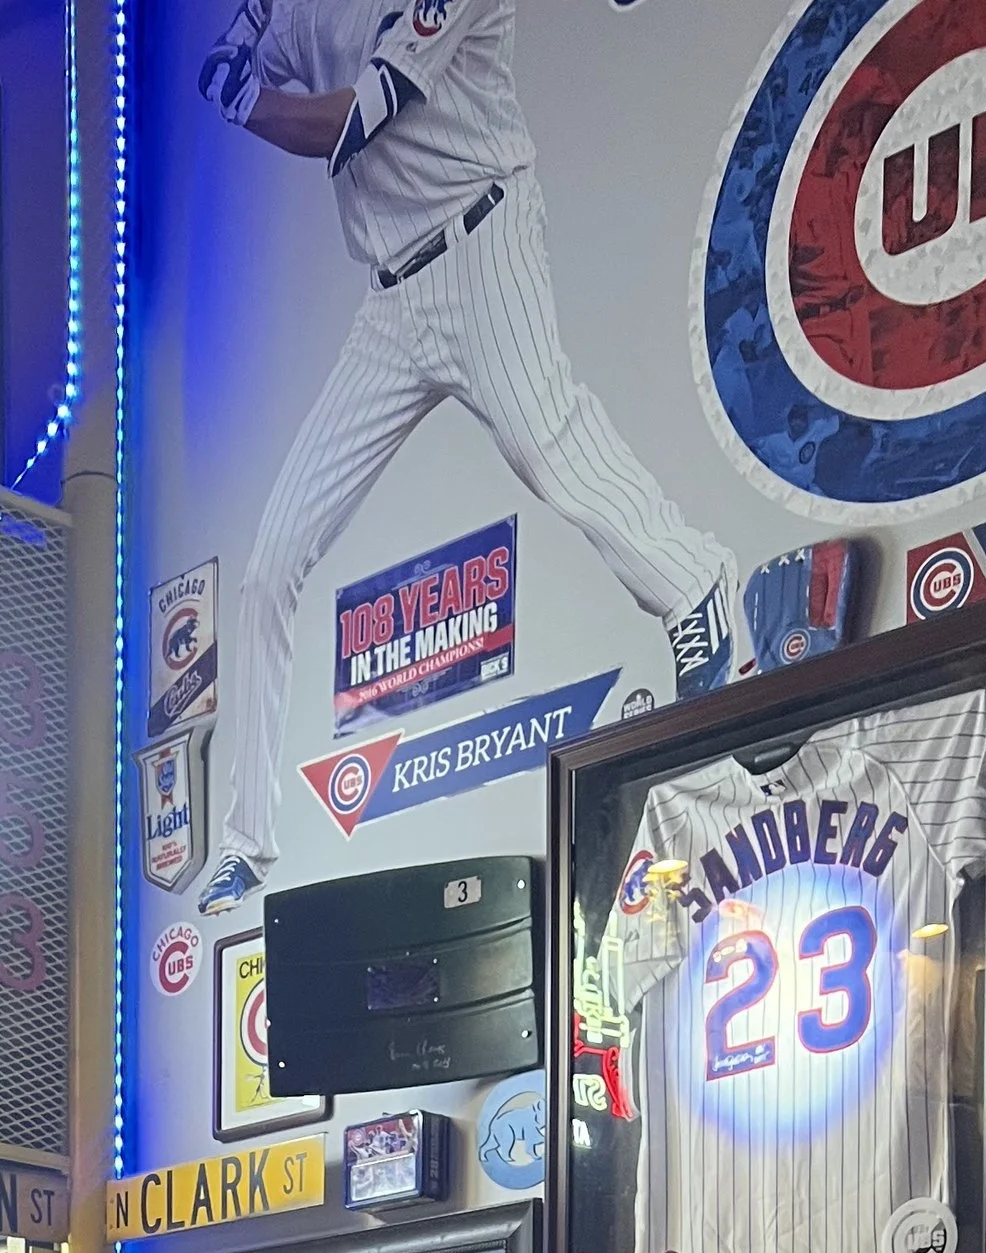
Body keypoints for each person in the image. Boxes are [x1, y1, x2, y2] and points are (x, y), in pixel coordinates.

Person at [188, 0, 740, 919]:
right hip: (389, 300)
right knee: (271, 560)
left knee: (547, 444)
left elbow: (351, 123)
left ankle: (695, 582)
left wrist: (245, 101)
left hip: (482, 238)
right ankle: (250, 838)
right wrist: (238, 62)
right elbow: (240, 45)